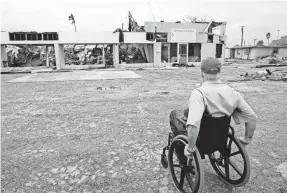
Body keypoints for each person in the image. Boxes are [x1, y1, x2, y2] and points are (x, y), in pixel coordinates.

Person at [169, 57, 258, 158]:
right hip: (220, 138)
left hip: (200, 141)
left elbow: (193, 124)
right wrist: (247, 139)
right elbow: (251, 117)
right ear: (219, 72)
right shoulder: (233, 93)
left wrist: (190, 149)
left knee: (174, 114)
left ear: (202, 73)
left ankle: (181, 152)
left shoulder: (199, 94)